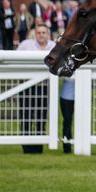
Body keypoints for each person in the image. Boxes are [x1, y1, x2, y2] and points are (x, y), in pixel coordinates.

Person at [17, 26, 55, 154]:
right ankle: (26, 148)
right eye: (38, 33)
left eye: (43, 33)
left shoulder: (54, 46)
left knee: (41, 117)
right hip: (27, 86)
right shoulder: (25, 45)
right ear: (35, 34)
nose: (41, 35)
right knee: (25, 117)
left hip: (43, 87)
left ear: (48, 34)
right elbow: (15, 59)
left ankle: (39, 147)